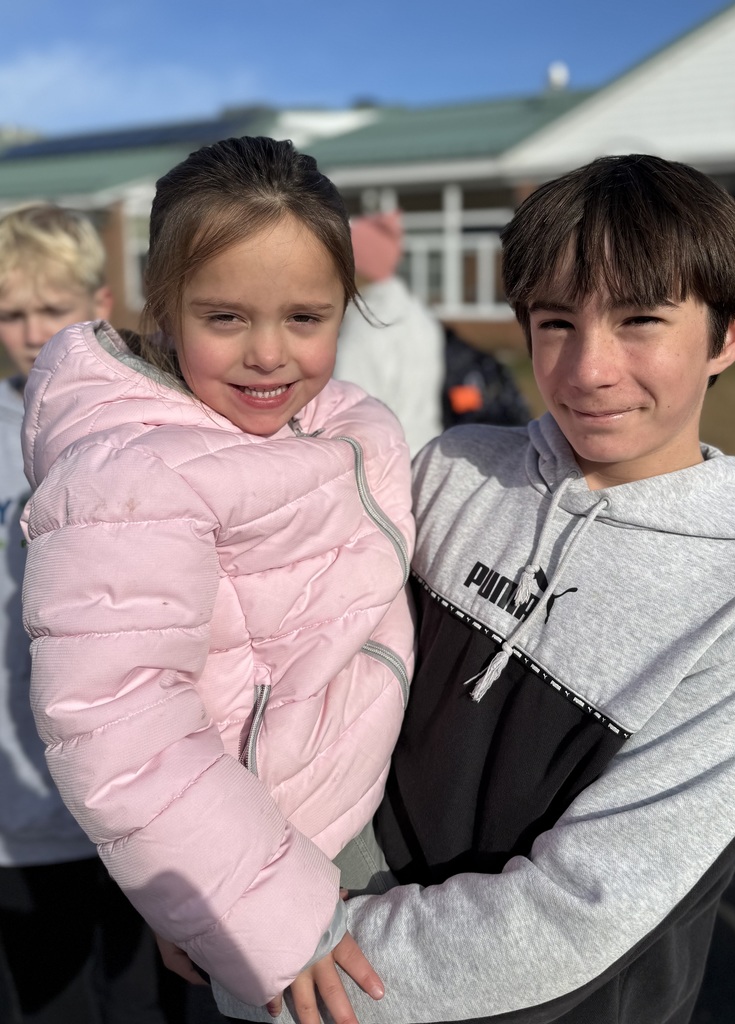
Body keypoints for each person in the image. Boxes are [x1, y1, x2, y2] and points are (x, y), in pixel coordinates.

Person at [296, 154, 735, 1024]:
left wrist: (296, 965)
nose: (587, 370)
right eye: (555, 323)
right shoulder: (453, 471)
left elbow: (579, 910)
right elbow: (307, 682)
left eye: (639, 321)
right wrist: (242, 898)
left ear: (727, 335)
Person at [18, 138, 415, 1023]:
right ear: (163, 307)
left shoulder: (331, 423)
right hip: (278, 872)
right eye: (225, 318)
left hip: (359, 817)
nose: (269, 355)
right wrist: (250, 905)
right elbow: (118, 723)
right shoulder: (130, 474)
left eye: (306, 319)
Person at [0, 203, 170, 1023]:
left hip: (142, 793)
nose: (32, 333)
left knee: (145, 996)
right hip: (23, 802)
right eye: (11, 313)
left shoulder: (153, 421)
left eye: (51, 310)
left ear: (98, 306)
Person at [334, 210, 445, 455]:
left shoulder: (368, 325)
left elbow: (347, 409)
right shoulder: (419, 315)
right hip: (425, 450)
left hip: (382, 459)